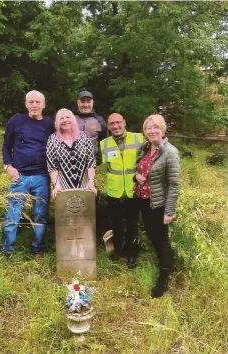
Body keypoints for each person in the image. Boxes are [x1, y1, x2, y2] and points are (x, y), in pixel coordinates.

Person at [1, 90, 54, 261]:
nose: (34, 105)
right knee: (12, 215)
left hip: (41, 177)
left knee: (40, 215)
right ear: (26, 104)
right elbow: (6, 146)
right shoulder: (16, 120)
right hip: (19, 175)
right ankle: (7, 251)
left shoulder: (49, 125)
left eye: (38, 102)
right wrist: (8, 166)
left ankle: (38, 248)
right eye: (31, 102)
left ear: (43, 105)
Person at [133, 114, 180, 298]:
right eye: (148, 128)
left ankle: (164, 279)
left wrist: (169, 211)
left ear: (163, 130)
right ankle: (163, 262)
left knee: (162, 240)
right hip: (144, 200)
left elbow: (174, 185)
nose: (152, 131)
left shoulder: (170, 152)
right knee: (153, 236)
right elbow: (139, 169)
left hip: (159, 204)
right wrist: (136, 176)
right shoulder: (145, 148)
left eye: (155, 128)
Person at [99, 113, 144, 268]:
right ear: (108, 126)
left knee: (132, 224)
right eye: (112, 124)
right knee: (116, 223)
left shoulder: (139, 138)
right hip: (114, 190)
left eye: (118, 122)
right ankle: (119, 251)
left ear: (124, 123)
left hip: (133, 190)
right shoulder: (104, 144)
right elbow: (96, 164)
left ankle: (131, 254)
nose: (116, 126)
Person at [46, 108, 97, 198]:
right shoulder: (52, 139)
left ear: (73, 119)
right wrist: (56, 185)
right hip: (63, 188)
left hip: (85, 186)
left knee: (86, 211)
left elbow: (91, 162)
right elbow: (52, 166)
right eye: (61, 118)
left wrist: (91, 182)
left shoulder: (84, 137)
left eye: (68, 117)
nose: (65, 120)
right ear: (57, 122)